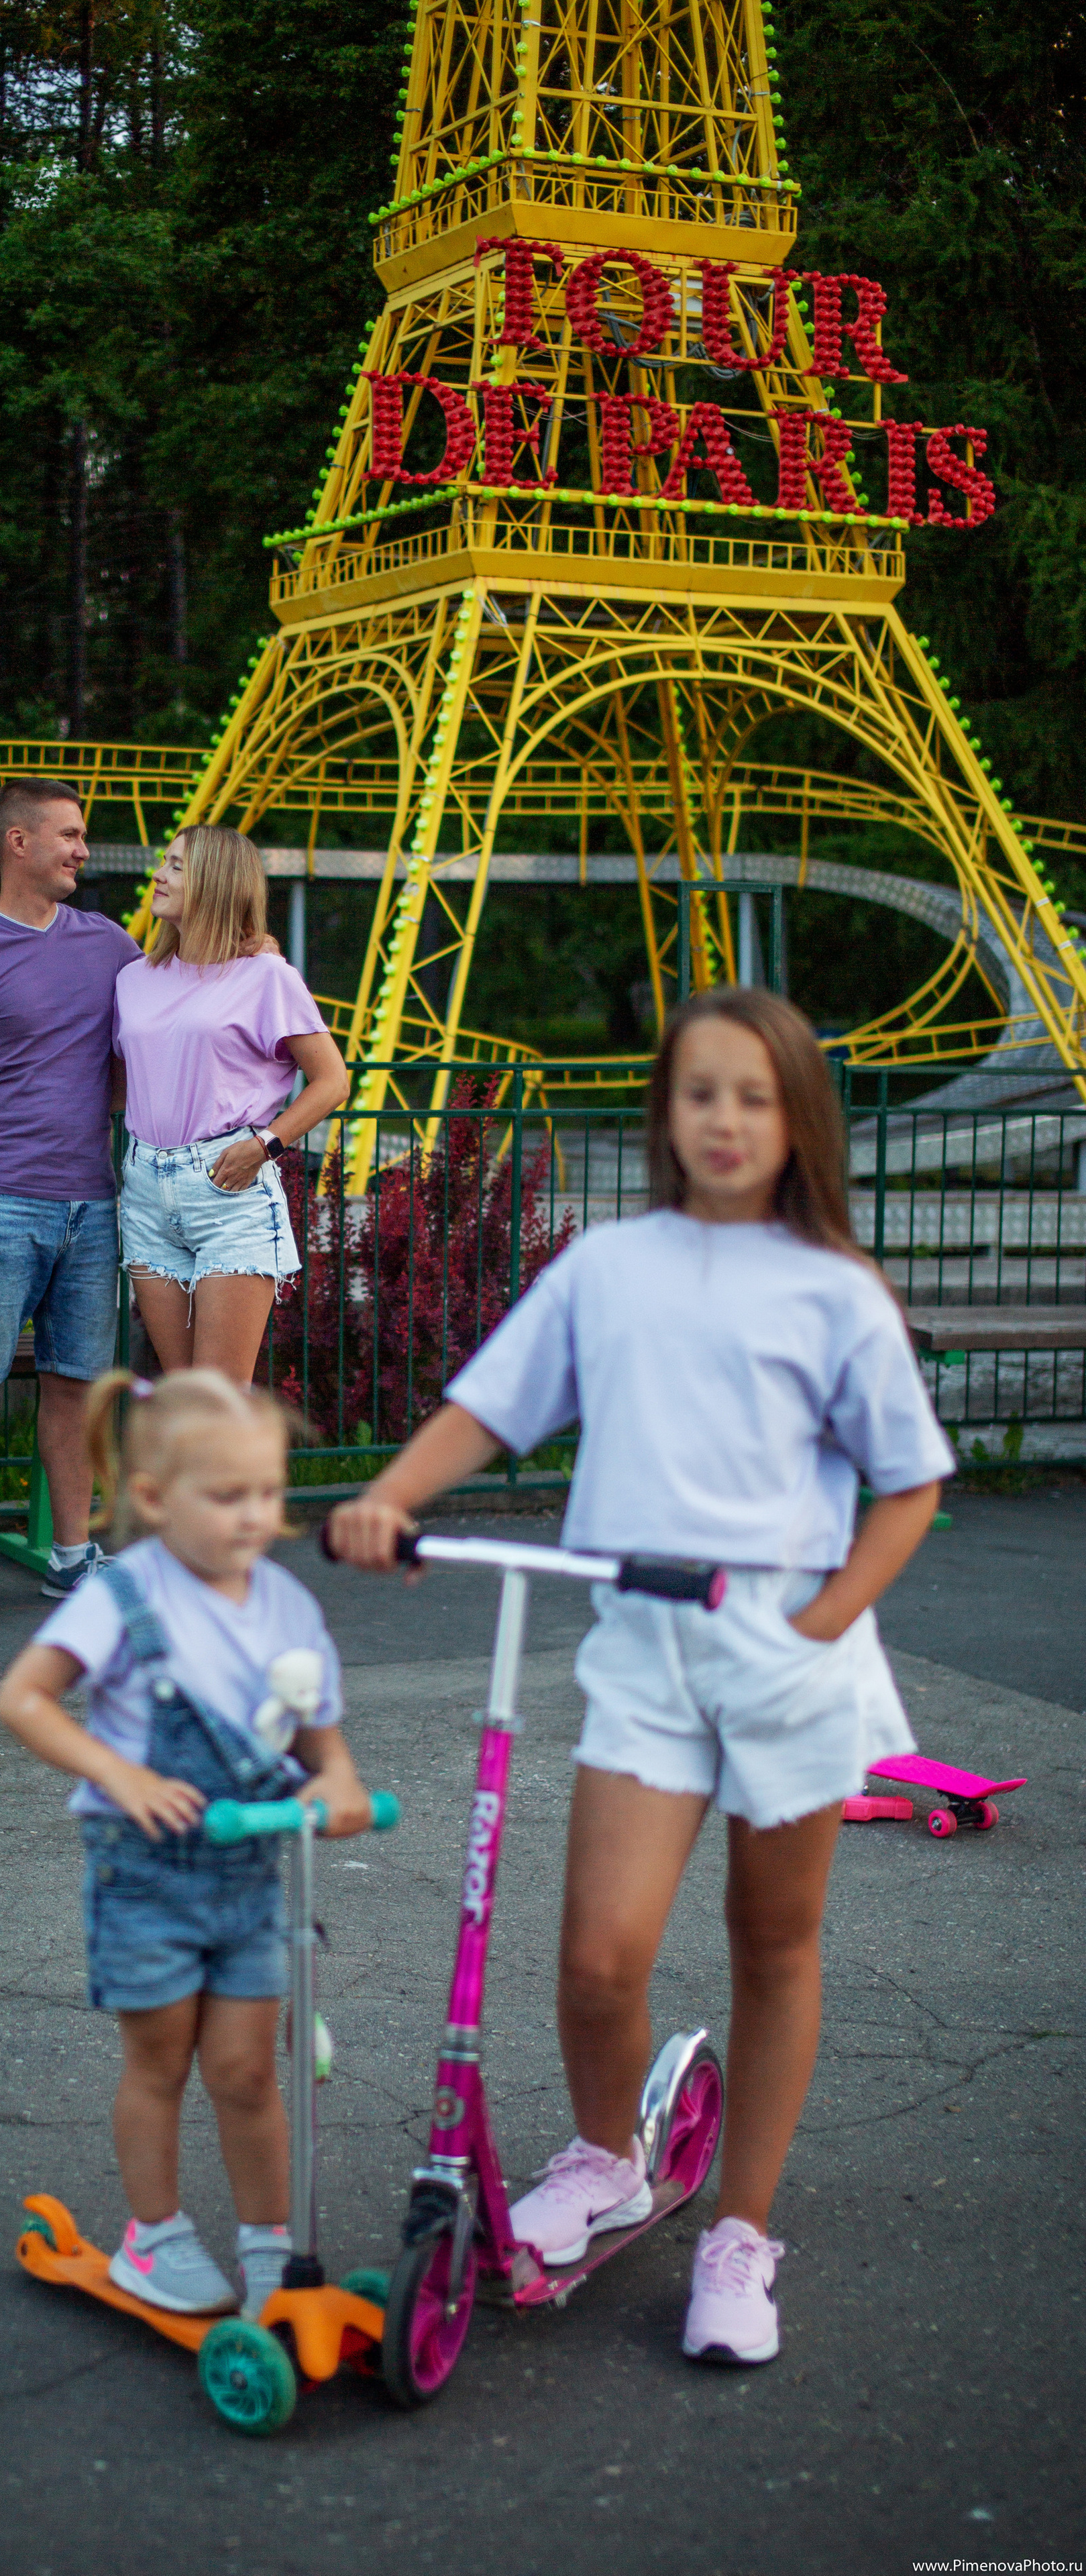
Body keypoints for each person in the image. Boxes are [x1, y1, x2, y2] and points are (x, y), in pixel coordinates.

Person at [325, 987, 955, 2366]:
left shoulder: (831, 1287)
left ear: (794, 1120)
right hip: (643, 1648)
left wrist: (823, 1616)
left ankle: (737, 2234)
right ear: (664, 1113)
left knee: (768, 1942)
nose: (723, 1119)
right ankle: (605, 2159)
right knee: (600, 1954)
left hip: (785, 1651)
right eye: (697, 1093)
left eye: (752, 1095)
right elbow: (490, 1405)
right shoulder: (608, 1268)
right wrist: (384, 1498)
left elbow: (907, 1488)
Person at [0, 1368, 373, 2318]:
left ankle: (270, 2257)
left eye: (270, 1494)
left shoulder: (288, 1606)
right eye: (229, 1495)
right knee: (160, 2063)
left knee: (248, 2071)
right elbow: (23, 1698)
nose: (256, 1516)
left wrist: (339, 1783)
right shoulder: (124, 1595)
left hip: (251, 1879)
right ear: (156, 1499)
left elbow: (321, 1733)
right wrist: (116, 1774)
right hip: (147, 1876)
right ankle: (152, 2238)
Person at [0, 778, 142, 1625]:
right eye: (70, 835)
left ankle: (73, 1557)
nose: (83, 851)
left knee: (75, 1386)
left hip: (92, 1203)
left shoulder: (112, 945)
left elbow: (154, 1032)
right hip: (0, 1207)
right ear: (18, 843)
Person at [113, 825, 350, 1383]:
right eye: (163, 862)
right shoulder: (132, 980)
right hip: (146, 1189)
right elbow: (124, 1085)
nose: (160, 874)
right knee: (183, 1395)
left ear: (217, 884)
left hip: (228, 1185)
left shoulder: (267, 976)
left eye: (176, 866)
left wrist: (265, 1146)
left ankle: (245, 1474)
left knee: (218, 1398)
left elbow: (332, 1081)